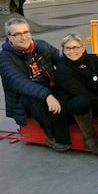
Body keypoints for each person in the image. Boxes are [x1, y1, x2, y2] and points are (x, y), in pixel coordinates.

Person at [0, 17, 71, 151]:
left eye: (26, 32)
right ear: (10, 37)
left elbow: (63, 61)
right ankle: (51, 136)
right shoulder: (5, 58)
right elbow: (20, 83)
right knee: (34, 99)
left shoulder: (41, 45)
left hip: (48, 88)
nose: (24, 37)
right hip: (24, 99)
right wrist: (47, 96)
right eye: (18, 34)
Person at [54, 33, 98, 155]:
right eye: (68, 48)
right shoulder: (62, 69)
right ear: (63, 51)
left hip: (96, 100)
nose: (72, 51)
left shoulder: (92, 59)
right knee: (82, 100)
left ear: (83, 48)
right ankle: (89, 138)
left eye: (75, 47)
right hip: (73, 105)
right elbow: (80, 90)